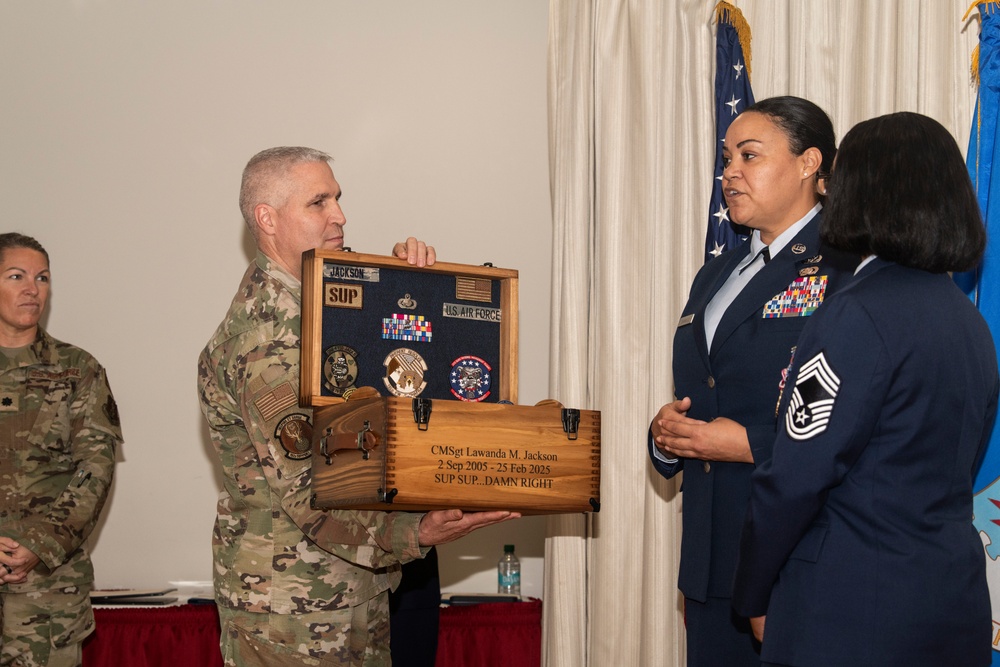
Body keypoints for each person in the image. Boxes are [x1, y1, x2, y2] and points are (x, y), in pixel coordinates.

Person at [198, 146, 518, 666]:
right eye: (318, 202)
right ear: (267, 218)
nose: (340, 215)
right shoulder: (267, 340)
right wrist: (413, 533)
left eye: (338, 199)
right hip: (292, 611)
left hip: (355, 590)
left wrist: (407, 282)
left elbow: (391, 393)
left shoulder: (326, 301)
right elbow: (309, 489)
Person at [732, 112, 997, 666]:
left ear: (860, 190)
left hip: (851, 614)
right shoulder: (968, 322)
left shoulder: (854, 313)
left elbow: (795, 475)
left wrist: (753, 592)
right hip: (951, 604)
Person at [646, 97, 859, 665]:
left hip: (796, 552)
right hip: (713, 557)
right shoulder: (716, 271)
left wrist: (747, 444)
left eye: (749, 155)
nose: (729, 172)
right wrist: (666, 433)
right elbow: (707, 388)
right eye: (726, 158)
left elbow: (861, 418)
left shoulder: (848, 267)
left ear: (810, 162)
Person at [0, 233, 122, 667]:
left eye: (42, 277)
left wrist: (39, 542)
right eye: (17, 276)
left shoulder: (78, 370)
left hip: (47, 592)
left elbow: (96, 468)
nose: (32, 288)